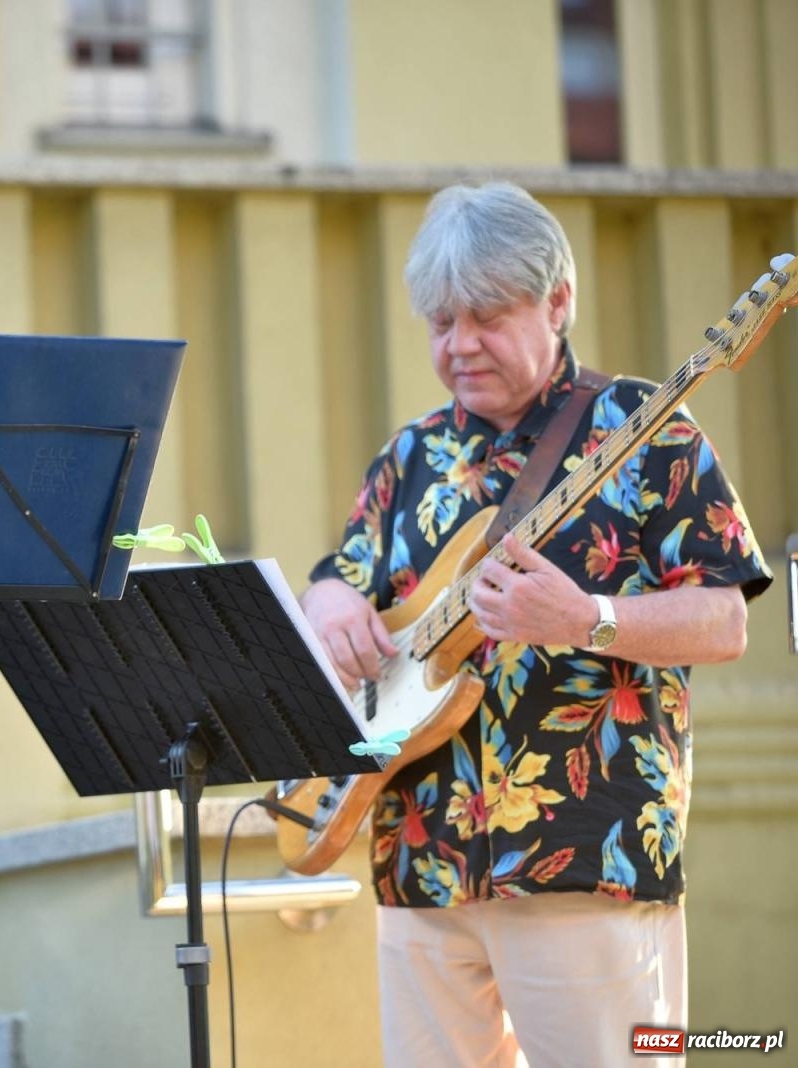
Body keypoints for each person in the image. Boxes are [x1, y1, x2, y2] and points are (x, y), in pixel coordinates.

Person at [301, 182, 771, 1067]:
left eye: (485, 315)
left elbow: (722, 619)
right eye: (440, 322)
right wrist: (327, 598)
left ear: (558, 300)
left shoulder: (647, 427)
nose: (459, 345)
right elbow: (346, 579)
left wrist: (587, 617)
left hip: (583, 855)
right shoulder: (409, 457)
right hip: (420, 855)